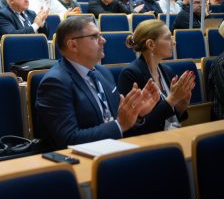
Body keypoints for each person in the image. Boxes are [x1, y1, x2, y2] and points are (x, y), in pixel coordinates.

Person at [36, 16, 160, 149]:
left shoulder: (103, 73)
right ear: (73, 45)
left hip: (113, 151)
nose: (103, 40)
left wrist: (136, 114)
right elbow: (69, 139)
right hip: (79, 163)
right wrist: (120, 124)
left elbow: (117, 124)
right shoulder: (55, 83)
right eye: (95, 37)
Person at [118, 20, 195, 135]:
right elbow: (135, 128)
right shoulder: (130, 74)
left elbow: (170, 117)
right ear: (151, 44)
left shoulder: (167, 70)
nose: (173, 42)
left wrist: (180, 106)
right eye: (168, 38)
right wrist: (172, 99)